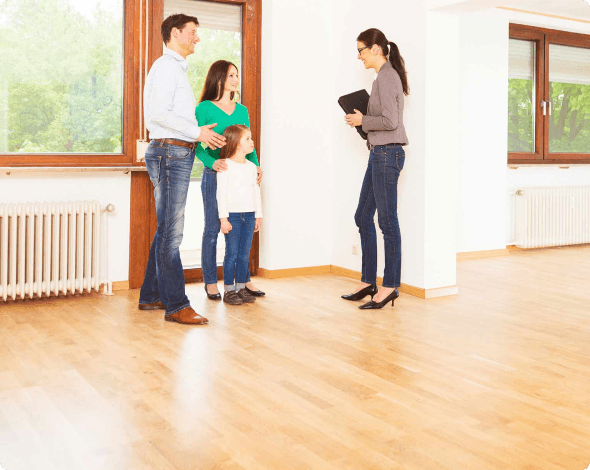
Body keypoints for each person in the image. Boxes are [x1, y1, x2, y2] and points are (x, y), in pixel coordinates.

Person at [138, 14, 226, 325]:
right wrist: (197, 133)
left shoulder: (173, 69)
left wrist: (198, 132)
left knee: (166, 231)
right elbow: (159, 114)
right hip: (170, 153)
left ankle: (151, 294)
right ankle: (176, 305)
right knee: (172, 234)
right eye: (192, 33)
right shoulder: (166, 67)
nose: (197, 39)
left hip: (175, 152)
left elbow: (171, 115)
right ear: (175, 33)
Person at [341, 28, 409, 310]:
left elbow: (391, 121)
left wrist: (362, 121)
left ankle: (390, 285)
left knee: (387, 222)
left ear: (376, 49)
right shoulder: (383, 77)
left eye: (361, 50)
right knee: (362, 216)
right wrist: (364, 121)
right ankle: (369, 280)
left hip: (387, 154)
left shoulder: (387, 76)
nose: (359, 57)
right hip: (378, 153)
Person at [195, 61, 264, 301]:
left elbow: (248, 140)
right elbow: (195, 145)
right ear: (219, 79)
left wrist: (256, 165)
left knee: (243, 230)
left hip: (241, 175)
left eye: (237, 74)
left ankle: (244, 281)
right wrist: (211, 163)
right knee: (213, 229)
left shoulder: (241, 109)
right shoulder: (204, 108)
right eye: (231, 75)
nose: (236, 79)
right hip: (216, 174)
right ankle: (211, 282)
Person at [215, 125, 263, 305]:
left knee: (244, 254)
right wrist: (223, 219)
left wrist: (259, 215)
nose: (252, 142)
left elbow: (256, 191)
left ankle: (241, 288)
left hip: (249, 216)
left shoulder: (251, 167)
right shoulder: (225, 166)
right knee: (232, 254)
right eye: (248, 139)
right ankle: (229, 290)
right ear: (236, 143)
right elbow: (221, 194)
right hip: (232, 217)